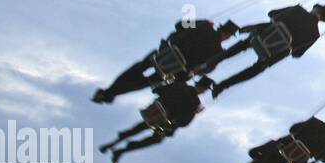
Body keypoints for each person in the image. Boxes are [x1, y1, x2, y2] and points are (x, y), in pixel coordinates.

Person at [95, 18, 239, 103]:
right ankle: (110, 94)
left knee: (137, 69)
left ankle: (109, 91)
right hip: (175, 69)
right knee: (144, 83)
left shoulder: (204, 25)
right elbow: (207, 69)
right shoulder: (219, 51)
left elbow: (179, 24)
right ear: (227, 35)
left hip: (166, 52)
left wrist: (202, 23)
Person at [206, 4, 325, 95]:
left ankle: (211, 62)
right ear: (322, 19)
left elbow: (271, 14)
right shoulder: (314, 34)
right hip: (271, 54)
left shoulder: (298, 9)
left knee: (242, 45)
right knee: (256, 69)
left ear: (315, 9)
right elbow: (297, 54)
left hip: (260, 37)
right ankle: (222, 86)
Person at [98, 78, 212, 163]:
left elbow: (158, 90)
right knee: (156, 138)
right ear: (202, 89)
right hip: (164, 122)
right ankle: (122, 150)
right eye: (204, 90)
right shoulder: (195, 103)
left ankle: (114, 143)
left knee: (141, 128)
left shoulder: (180, 84)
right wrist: (195, 113)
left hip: (154, 112)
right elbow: (184, 122)